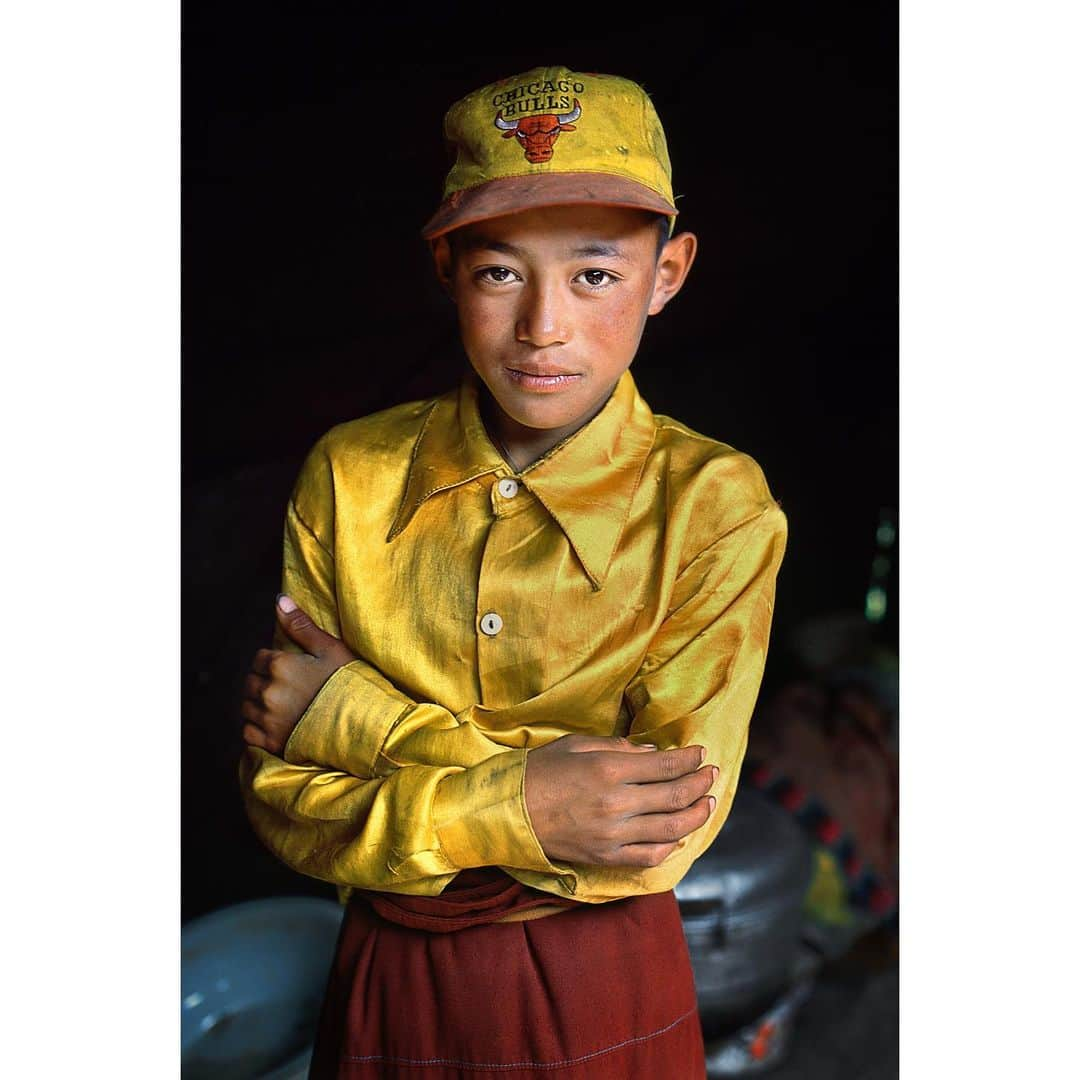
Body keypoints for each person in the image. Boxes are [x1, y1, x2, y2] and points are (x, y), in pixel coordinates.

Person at [238, 65, 788, 1079]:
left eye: (595, 275)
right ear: (446, 267)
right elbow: (280, 795)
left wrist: (360, 721)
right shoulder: (351, 477)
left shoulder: (715, 503)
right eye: (500, 273)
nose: (543, 327)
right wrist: (544, 801)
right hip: (389, 977)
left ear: (667, 274)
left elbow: (661, 832)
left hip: (605, 987)